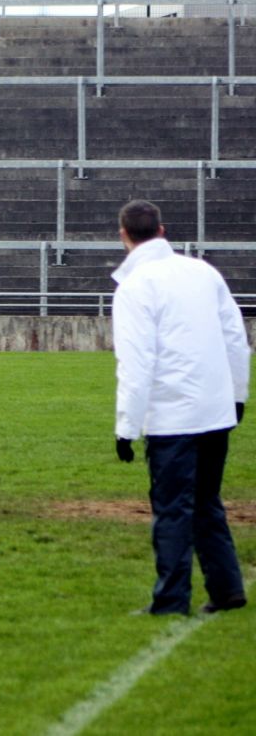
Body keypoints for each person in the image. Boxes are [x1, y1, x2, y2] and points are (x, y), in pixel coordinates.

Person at [112, 200, 249, 616]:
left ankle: (171, 600)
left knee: (172, 510)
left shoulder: (136, 287)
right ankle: (227, 589)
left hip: (173, 417)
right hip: (215, 409)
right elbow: (235, 339)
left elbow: (137, 363)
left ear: (124, 236)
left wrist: (126, 427)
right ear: (162, 230)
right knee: (207, 502)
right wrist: (237, 397)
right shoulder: (203, 272)